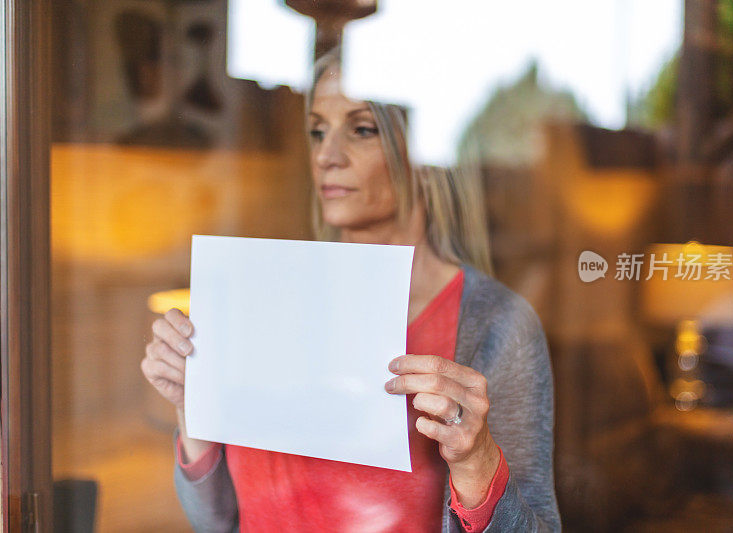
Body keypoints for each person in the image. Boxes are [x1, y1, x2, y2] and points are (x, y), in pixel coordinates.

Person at [141, 48, 560, 532]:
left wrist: (477, 461)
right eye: (318, 131)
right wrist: (191, 409)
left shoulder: (496, 323)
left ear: (422, 149)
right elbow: (215, 522)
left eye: (361, 129)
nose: (326, 155)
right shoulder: (261, 300)